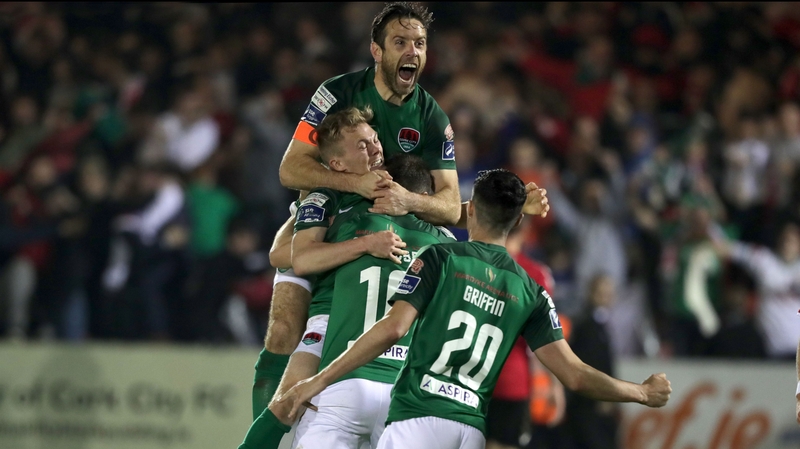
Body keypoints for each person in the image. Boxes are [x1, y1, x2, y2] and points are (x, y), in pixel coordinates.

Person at [254, 1, 549, 426]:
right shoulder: (337, 92)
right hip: (324, 218)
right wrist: (355, 184)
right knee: (284, 328)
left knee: (359, 343)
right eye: (400, 42)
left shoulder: (432, 118)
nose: (412, 51)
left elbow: (448, 207)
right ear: (377, 51)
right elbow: (291, 168)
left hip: (388, 239)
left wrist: (409, 202)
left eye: (420, 43)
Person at [279, 169, 671, 449]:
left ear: (469, 212)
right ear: (518, 221)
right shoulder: (532, 290)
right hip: (470, 431)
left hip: (418, 419)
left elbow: (393, 329)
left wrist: (318, 380)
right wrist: (640, 392)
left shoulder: (440, 259)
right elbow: (578, 376)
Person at [238, 108, 454, 449]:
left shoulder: (392, 188)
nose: (374, 149)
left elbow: (450, 209)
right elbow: (284, 255)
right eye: (361, 146)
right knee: (286, 362)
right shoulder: (326, 192)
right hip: (328, 302)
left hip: (368, 316)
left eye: (374, 141)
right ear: (337, 164)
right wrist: (364, 243)